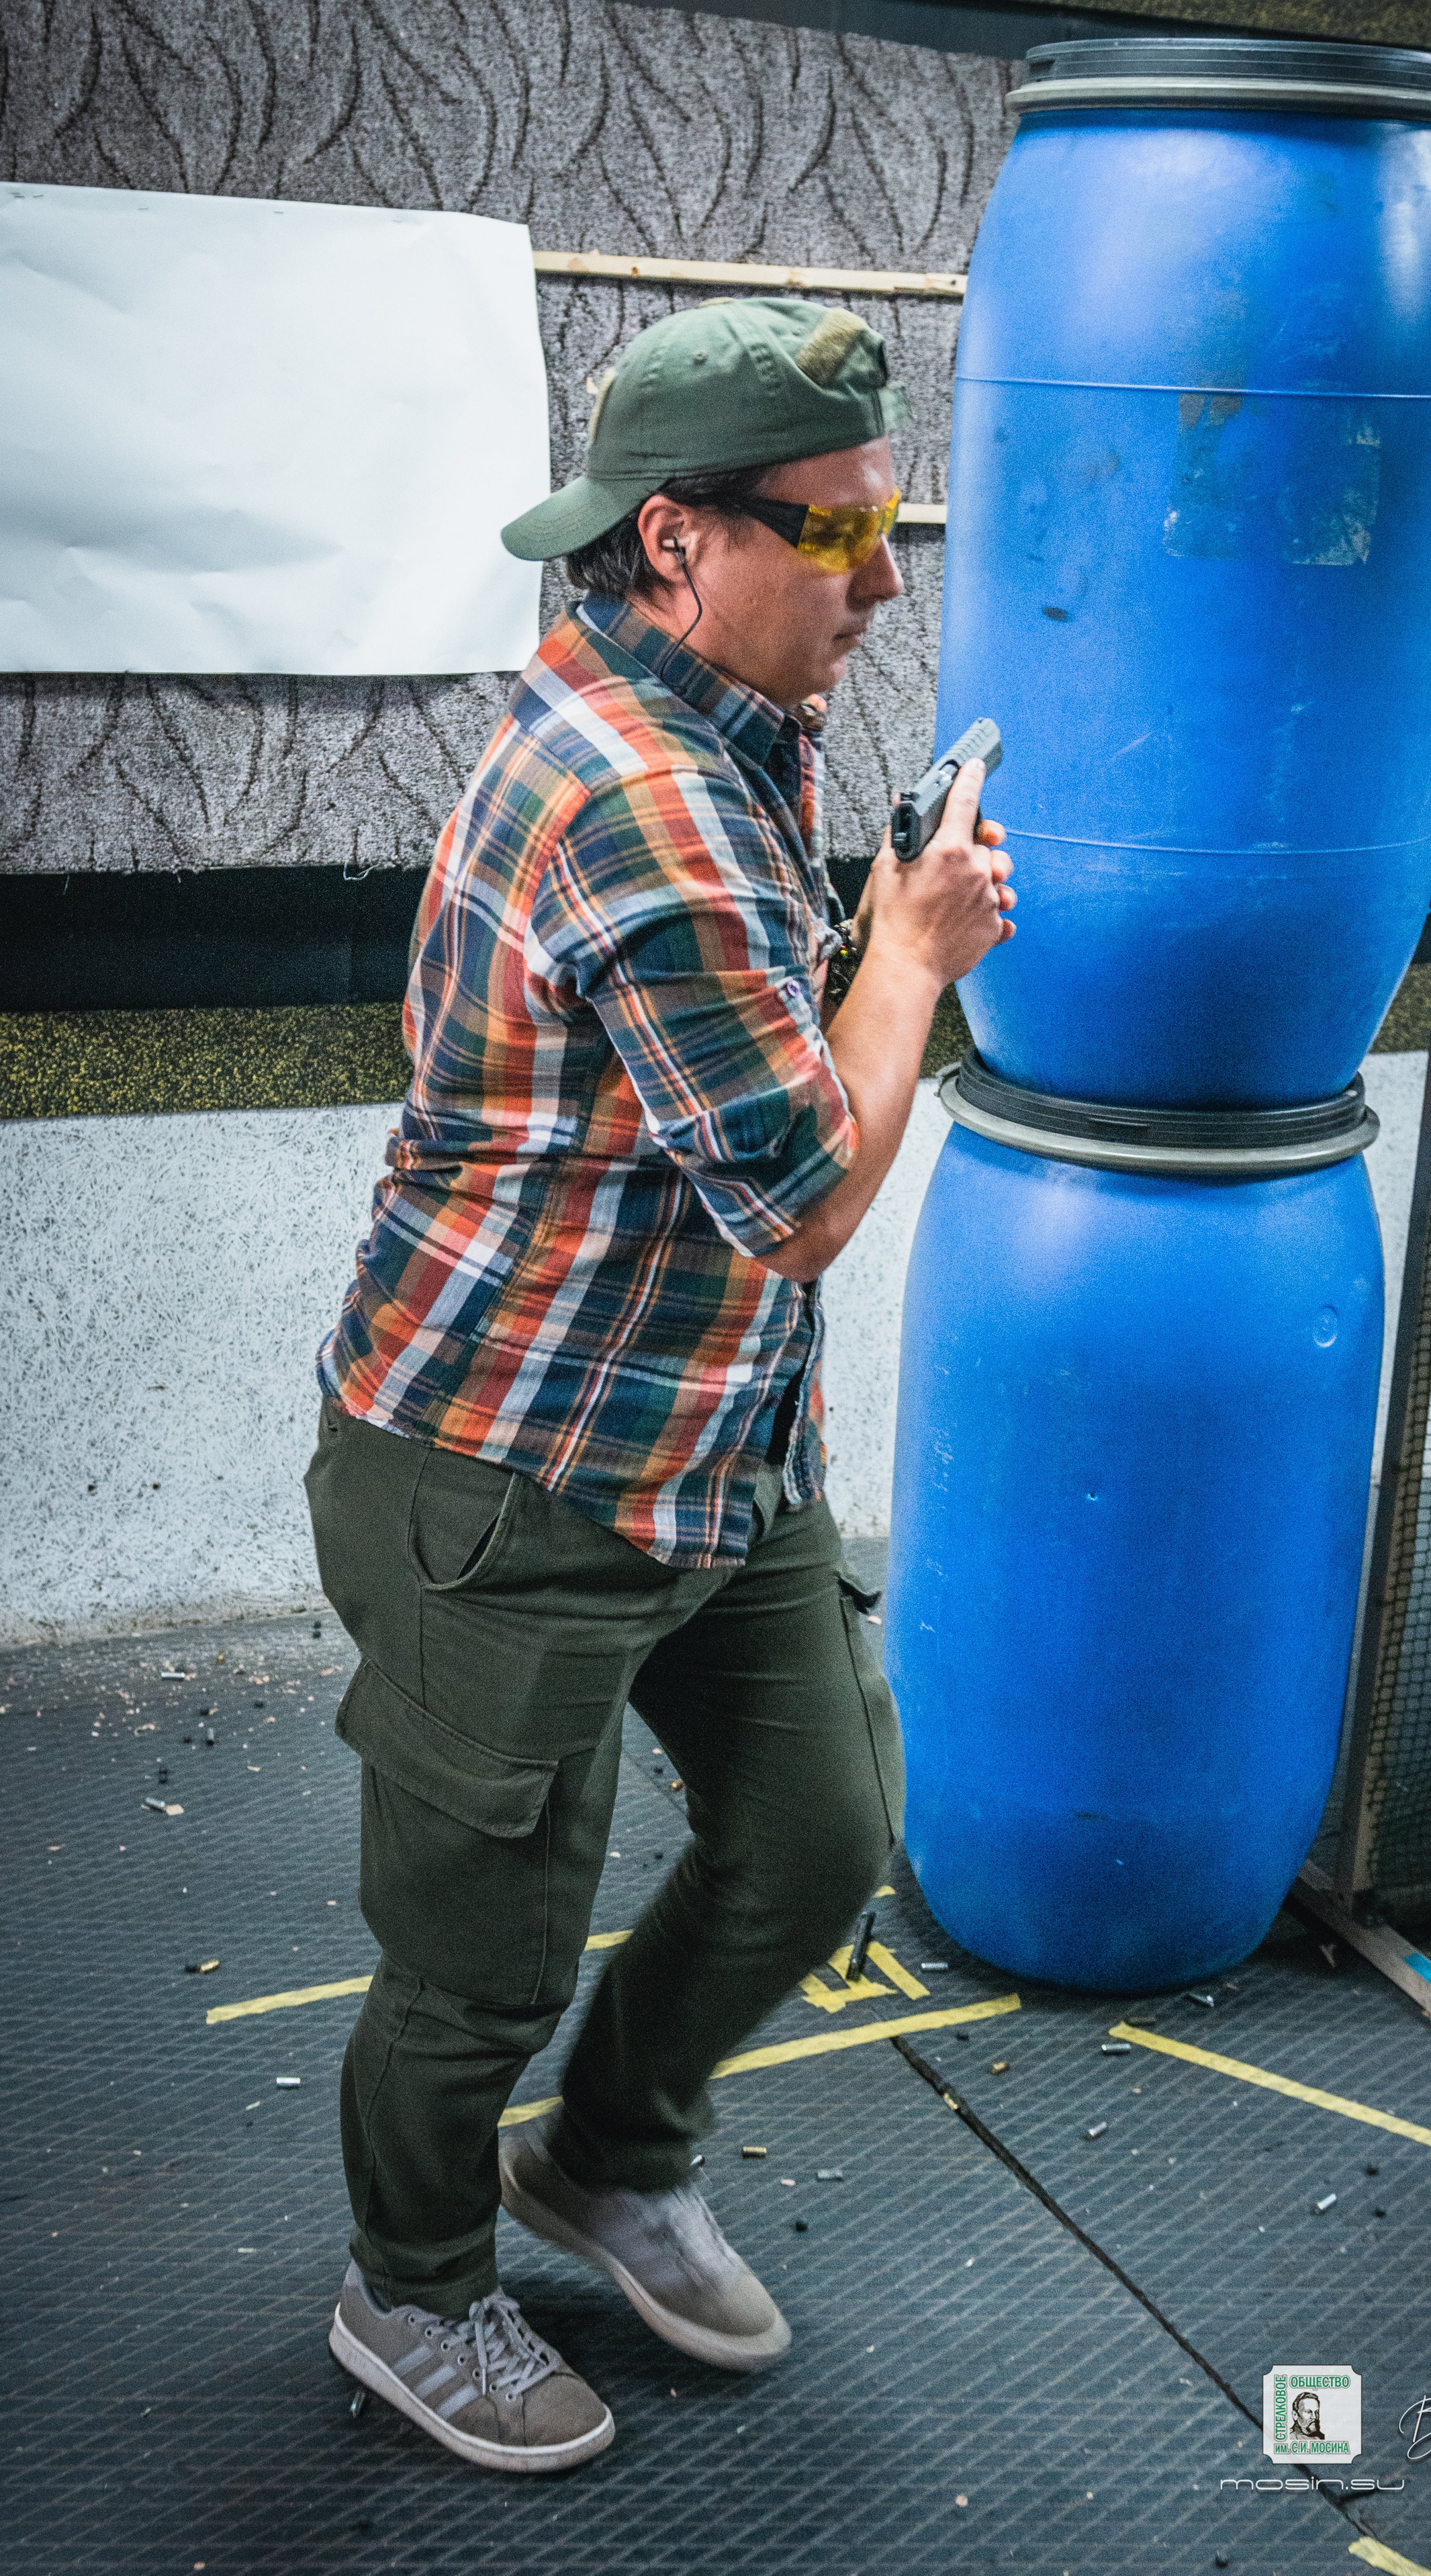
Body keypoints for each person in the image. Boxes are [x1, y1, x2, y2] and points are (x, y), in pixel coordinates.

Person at [304, 296, 1014, 2473]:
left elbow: (755, 1083)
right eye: (838, 532)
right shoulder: (634, 794)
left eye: (891, 522)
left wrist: (867, 940)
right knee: (481, 1954)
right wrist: (912, 955)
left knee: (820, 1837)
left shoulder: (734, 718)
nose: (880, 578)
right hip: (510, 1469)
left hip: (710, 1442)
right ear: (679, 541)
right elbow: (798, 1192)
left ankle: (606, 2156)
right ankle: (411, 2287)